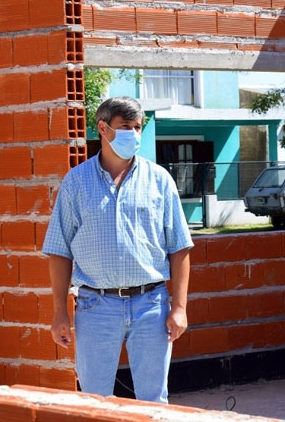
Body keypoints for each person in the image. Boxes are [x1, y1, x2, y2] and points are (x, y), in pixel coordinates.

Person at [42, 96, 193, 403]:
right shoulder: (76, 182)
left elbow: (179, 247)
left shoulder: (159, 180)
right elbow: (60, 251)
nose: (134, 135)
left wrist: (179, 307)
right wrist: (59, 311)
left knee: (154, 402)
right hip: (96, 307)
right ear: (103, 128)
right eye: (126, 127)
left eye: (138, 127)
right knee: (95, 403)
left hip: (151, 305)